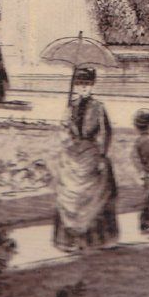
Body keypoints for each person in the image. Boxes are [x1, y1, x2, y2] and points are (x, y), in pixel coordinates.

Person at [53, 67, 119, 251]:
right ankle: (69, 240)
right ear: (75, 86)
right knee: (68, 196)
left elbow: (106, 132)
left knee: (95, 196)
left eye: (87, 85)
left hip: (91, 153)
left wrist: (102, 155)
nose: (84, 88)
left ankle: (96, 240)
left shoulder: (98, 107)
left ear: (92, 86)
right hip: (72, 155)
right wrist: (67, 138)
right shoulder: (70, 106)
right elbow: (63, 131)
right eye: (80, 84)